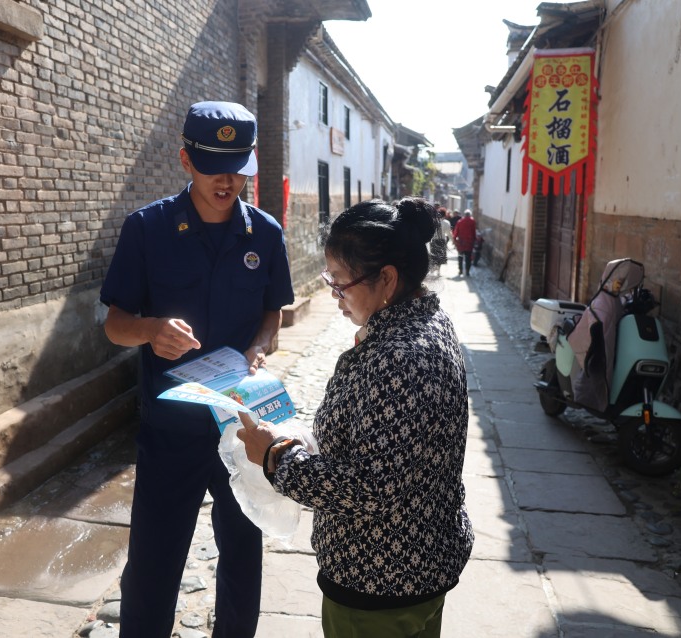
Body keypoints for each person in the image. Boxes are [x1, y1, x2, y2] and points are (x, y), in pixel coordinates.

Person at [100, 101, 294, 638]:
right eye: (214, 166)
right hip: (171, 429)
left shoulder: (266, 234)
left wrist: (258, 347)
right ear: (186, 160)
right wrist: (150, 331)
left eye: (238, 166)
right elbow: (116, 323)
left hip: (241, 425)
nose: (227, 180)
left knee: (242, 553)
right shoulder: (148, 230)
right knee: (154, 562)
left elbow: (271, 312)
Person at [237, 197, 473, 638]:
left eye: (341, 282)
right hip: (420, 563)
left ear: (386, 279)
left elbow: (368, 488)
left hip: (380, 580)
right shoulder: (422, 322)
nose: (333, 294)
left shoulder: (399, 356)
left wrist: (275, 456)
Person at [452, 209, 477, 277]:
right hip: (469, 243)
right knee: (468, 258)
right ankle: (467, 271)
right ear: (470, 215)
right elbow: (474, 231)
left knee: (460, 257)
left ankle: (460, 271)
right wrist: (475, 239)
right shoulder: (472, 221)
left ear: (464, 214)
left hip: (461, 243)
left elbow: (456, 231)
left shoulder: (460, 221)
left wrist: (454, 239)